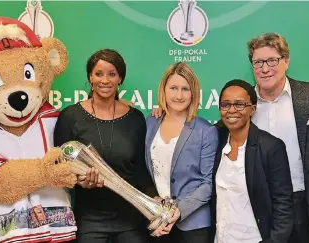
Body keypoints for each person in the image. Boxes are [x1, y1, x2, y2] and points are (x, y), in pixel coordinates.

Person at [54, 49, 154, 243]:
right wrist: (78, 181)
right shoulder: (70, 117)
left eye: (112, 74)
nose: (105, 80)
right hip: (90, 220)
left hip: (131, 220)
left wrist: (154, 200)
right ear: (90, 77)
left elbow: (140, 169)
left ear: (120, 79)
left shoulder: (135, 118)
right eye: (98, 74)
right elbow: (59, 168)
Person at [248, 32, 309, 242]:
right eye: (258, 62)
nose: (265, 69)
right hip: (257, 207)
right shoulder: (243, 102)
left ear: (286, 61)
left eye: (272, 61)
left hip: (301, 204)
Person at [211, 79, 293, 243]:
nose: (231, 110)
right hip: (221, 237)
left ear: (252, 109)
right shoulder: (216, 140)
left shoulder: (271, 146)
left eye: (239, 104)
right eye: (225, 105)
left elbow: (283, 205)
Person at [145, 62, 218, 243]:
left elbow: (208, 183)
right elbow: (143, 170)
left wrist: (179, 210)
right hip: (158, 221)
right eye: (173, 88)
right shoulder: (150, 123)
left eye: (185, 89)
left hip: (193, 224)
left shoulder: (205, 131)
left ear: (193, 93)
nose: (179, 95)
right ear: (164, 90)